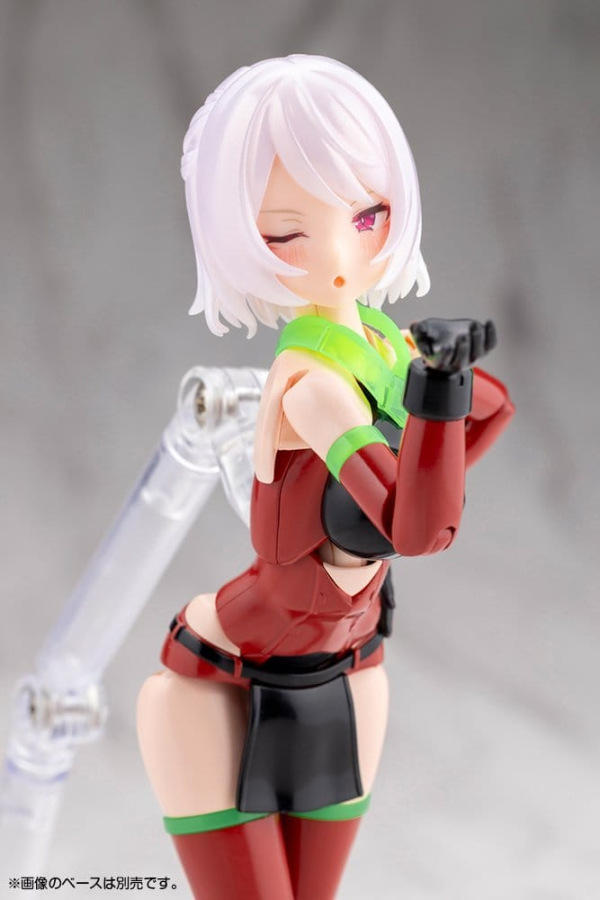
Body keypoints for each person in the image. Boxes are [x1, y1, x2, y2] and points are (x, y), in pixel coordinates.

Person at [136, 55, 514, 900]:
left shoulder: (382, 347)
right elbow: (418, 529)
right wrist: (438, 400)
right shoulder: (311, 386)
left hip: (349, 668)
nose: (341, 256)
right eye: (286, 234)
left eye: (367, 214)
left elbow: (491, 416)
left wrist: (441, 388)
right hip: (221, 678)